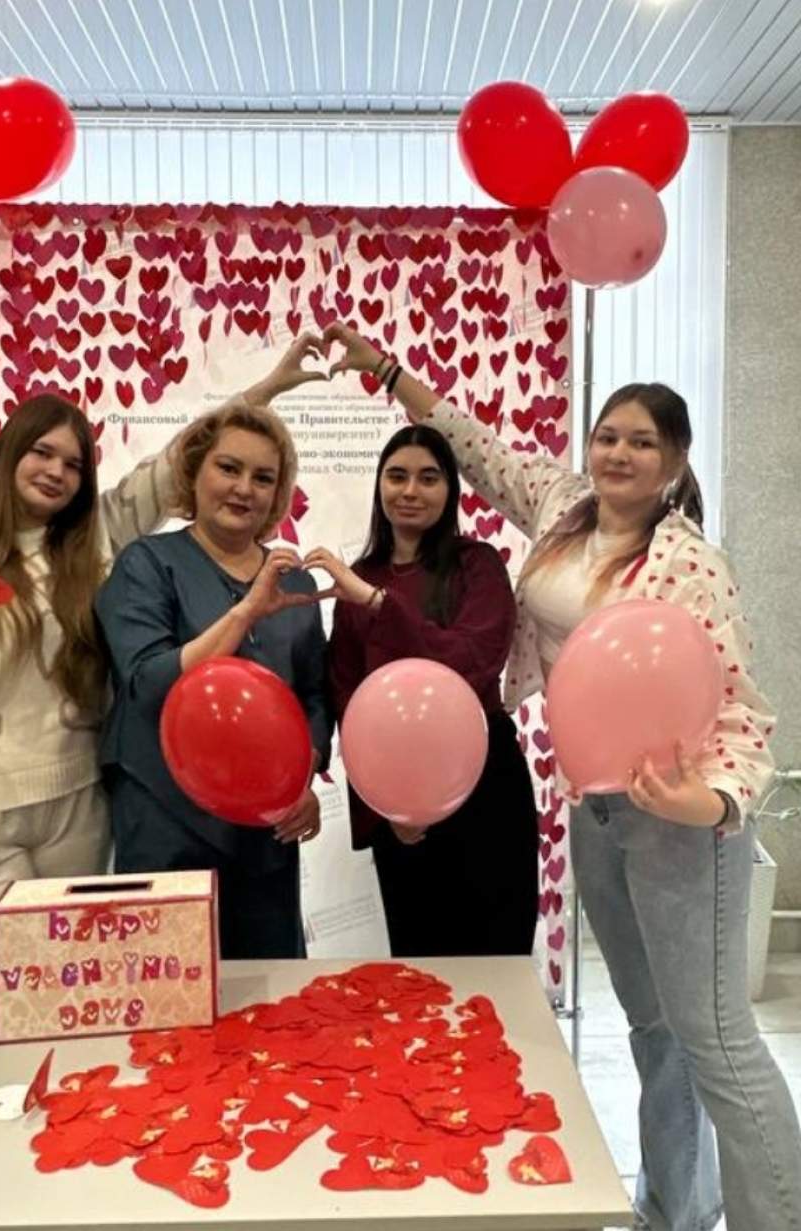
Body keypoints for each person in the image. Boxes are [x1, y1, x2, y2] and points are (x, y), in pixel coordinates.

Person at [322, 322, 801, 1231]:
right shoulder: (565, 508)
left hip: (681, 814)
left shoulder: (692, 563)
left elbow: (742, 704)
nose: (618, 452)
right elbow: (475, 446)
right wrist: (384, 369)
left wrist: (710, 799)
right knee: (654, 1029)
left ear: (675, 462)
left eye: (641, 442)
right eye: (607, 435)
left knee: (716, 1040)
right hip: (599, 809)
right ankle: (674, 1209)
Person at [0, 339, 325, 965]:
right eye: (41, 452)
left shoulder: (94, 546)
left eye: (74, 464)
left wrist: (264, 390)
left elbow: (178, 462)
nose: (56, 471)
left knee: (74, 990)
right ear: (7, 454)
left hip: (75, 807)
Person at [95, 390, 332, 961]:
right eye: (229, 468)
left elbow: (313, 695)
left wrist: (304, 779)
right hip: (166, 823)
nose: (244, 488)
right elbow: (148, 682)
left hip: (266, 836)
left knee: (271, 996)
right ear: (194, 472)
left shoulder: (295, 581)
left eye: (263, 477)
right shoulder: (145, 564)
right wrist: (244, 613)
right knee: (172, 996)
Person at [309, 423, 537, 958]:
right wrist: (387, 802)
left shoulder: (476, 565)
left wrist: (378, 604)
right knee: (419, 966)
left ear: (450, 489)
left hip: (483, 784)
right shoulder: (361, 576)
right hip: (396, 798)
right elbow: (347, 693)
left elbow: (470, 662)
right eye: (397, 476)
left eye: (429, 478)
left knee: (497, 959)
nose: (410, 491)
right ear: (379, 486)